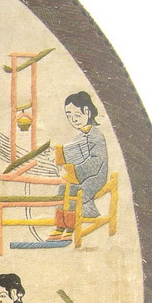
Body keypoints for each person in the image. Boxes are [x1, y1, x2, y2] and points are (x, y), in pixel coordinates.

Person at [48, 91, 109, 241]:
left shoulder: (96, 135)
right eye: (69, 116)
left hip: (95, 176)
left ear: (87, 112)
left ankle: (70, 227)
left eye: (76, 115)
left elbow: (96, 162)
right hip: (80, 175)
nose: (73, 119)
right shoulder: (80, 136)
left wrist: (74, 171)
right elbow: (72, 153)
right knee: (62, 189)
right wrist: (58, 157)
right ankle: (60, 226)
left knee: (75, 191)